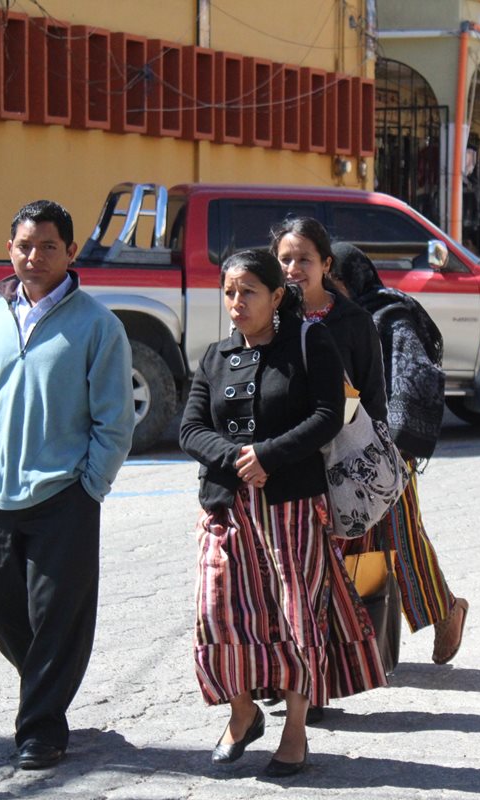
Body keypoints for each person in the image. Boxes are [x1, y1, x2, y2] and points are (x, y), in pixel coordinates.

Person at [178, 248, 386, 777]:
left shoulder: (308, 341)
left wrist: (269, 456)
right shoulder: (215, 356)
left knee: (297, 616)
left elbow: (327, 415)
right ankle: (243, 712)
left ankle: (295, 732)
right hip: (227, 509)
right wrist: (237, 460)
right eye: (228, 291)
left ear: (275, 296)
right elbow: (191, 427)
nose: (236, 302)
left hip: (293, 507)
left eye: (248, 291)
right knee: (220, 613)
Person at [0, 199, 134, 770]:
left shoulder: (98, 326)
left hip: (64, 496)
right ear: (10, 249)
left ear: (71, 253)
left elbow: (115, 420)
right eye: (25, 246)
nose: (35, 257)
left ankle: (40, 729)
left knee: (58, 614)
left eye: (48, 247)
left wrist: (91, 486)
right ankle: (44, 684)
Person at [328, 242, 469, 664]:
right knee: (356, 539)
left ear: (352, 279)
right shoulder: (330, 318)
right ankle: (363, 641)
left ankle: (445, 610)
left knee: (400, 536)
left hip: (387, 450)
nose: (329, 289)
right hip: (343, 445)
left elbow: (414, 379)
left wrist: (390, 441)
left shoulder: (390, 315)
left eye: (335, 281)